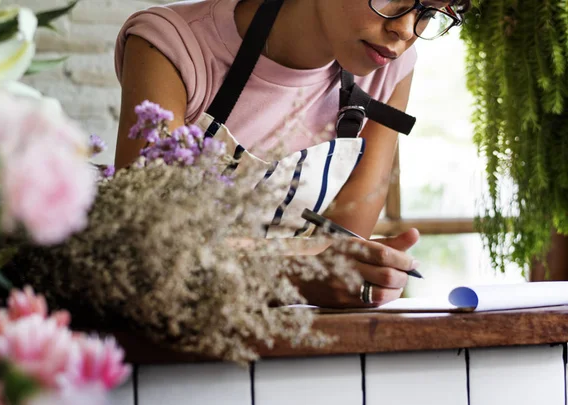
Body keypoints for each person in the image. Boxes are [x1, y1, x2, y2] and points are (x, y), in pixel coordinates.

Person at [113, 0, 471, 308]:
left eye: (429, 11)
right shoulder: (169, 45)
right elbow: (150, 249)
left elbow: (345, 242)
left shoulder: (389, 69)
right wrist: (294, 274)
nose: (406, 30)